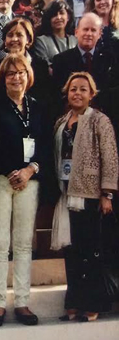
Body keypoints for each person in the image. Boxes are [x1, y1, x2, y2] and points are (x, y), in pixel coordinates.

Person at [0, 54, 52, 327]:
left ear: (29, 76)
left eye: (21, 72)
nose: (16, 78)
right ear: (3, 79)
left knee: (24, 243)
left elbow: (46, 145)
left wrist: (29, 170)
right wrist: (10, 171)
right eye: (10, 73)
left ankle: (22, 302)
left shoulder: (37, 107)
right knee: (0, 241)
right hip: (1, 180)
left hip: (29, 180)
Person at [51, 71, 118, 322]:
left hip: (90, 194)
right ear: (67, 93)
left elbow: (110, 158)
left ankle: (92, 305)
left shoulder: (99, 120)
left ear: (91, 94)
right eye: (73, 89)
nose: (77, 93)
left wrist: (107, 193)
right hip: (66, 192)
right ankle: (74, 303)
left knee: (90, 251)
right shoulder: (61, 122)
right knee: (72, 252)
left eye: (82, 89)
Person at [52, 13, 118, 92]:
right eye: (85, 29)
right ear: (76, 32)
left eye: (93, 30)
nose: (89, 34)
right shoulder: (61, 60)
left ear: (99, 34)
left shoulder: (109, 59)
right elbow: (57, 93)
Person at [2, 17, 54, 111]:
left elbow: (45, 98)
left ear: (28, 39)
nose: (14, 39)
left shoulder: (40, 65)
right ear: (5, 40)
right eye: (10, 35)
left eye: (19, 35)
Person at [33, 0, 77, 67]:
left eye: (61, 13)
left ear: (68, 17)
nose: (58, 17)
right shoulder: (41, 42)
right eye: (54, 15)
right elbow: (45, 67)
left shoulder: (75, 40)